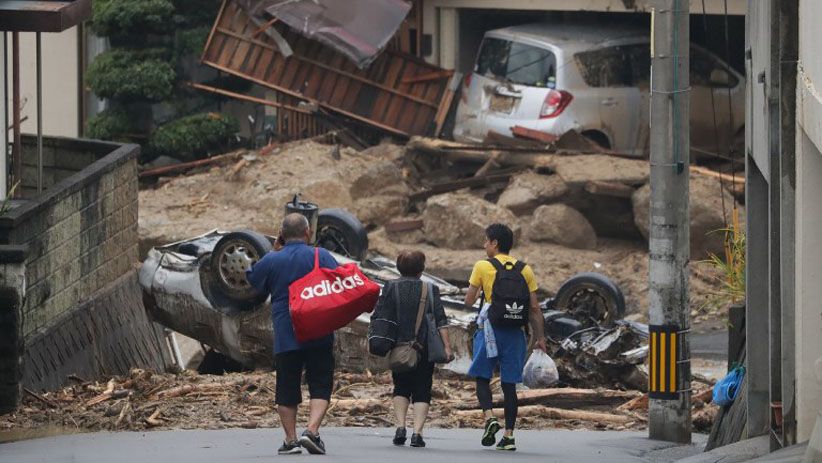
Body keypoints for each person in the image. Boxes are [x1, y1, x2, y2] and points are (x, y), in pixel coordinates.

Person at [247, 213, 338, 455]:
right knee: (320, 384)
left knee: (287, 388)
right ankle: (312, 431)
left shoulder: (272, 260)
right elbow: (339, 283)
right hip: (320, 331)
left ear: (282, 234)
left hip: (287, 335)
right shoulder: (321, 256)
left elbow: (252, 280)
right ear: (308, 233)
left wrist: (274, 252)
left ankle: (291, 440)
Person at [463, 223, 547, 451]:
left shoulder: (482, 266)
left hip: (489, 331)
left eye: (486, 240)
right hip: (515, 334)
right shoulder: (525, 269)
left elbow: (469, 301)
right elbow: (535, 309)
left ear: (495, 243)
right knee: (509, 385)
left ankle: (490, 417)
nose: (484, 245)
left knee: (482, 378)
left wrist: (480, 292)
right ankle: (509, 436)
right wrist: (540, 337)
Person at [373, 250, 453, 448]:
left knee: (400, 386)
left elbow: (381, 316)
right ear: (421, 269)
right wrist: (447, 347)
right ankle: (417, 433)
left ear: (399, 268)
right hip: (424, 347)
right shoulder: (430, 289)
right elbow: (441, 321)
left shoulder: (391, 287)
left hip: (398, 347)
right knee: (422, 389)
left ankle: (400, 427)